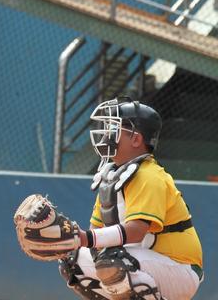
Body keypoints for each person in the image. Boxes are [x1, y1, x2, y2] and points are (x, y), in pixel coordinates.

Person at [58, 97, 203, 300]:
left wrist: (84, 238)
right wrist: (66, 242)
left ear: (136, 139)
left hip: (179, 268)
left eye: (115, 129)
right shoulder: (112, 176)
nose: (107, 134)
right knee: (74, 261)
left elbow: (136, 231)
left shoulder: (149, 176)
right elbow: (96, 235)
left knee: (113, 263)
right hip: (140, 262)